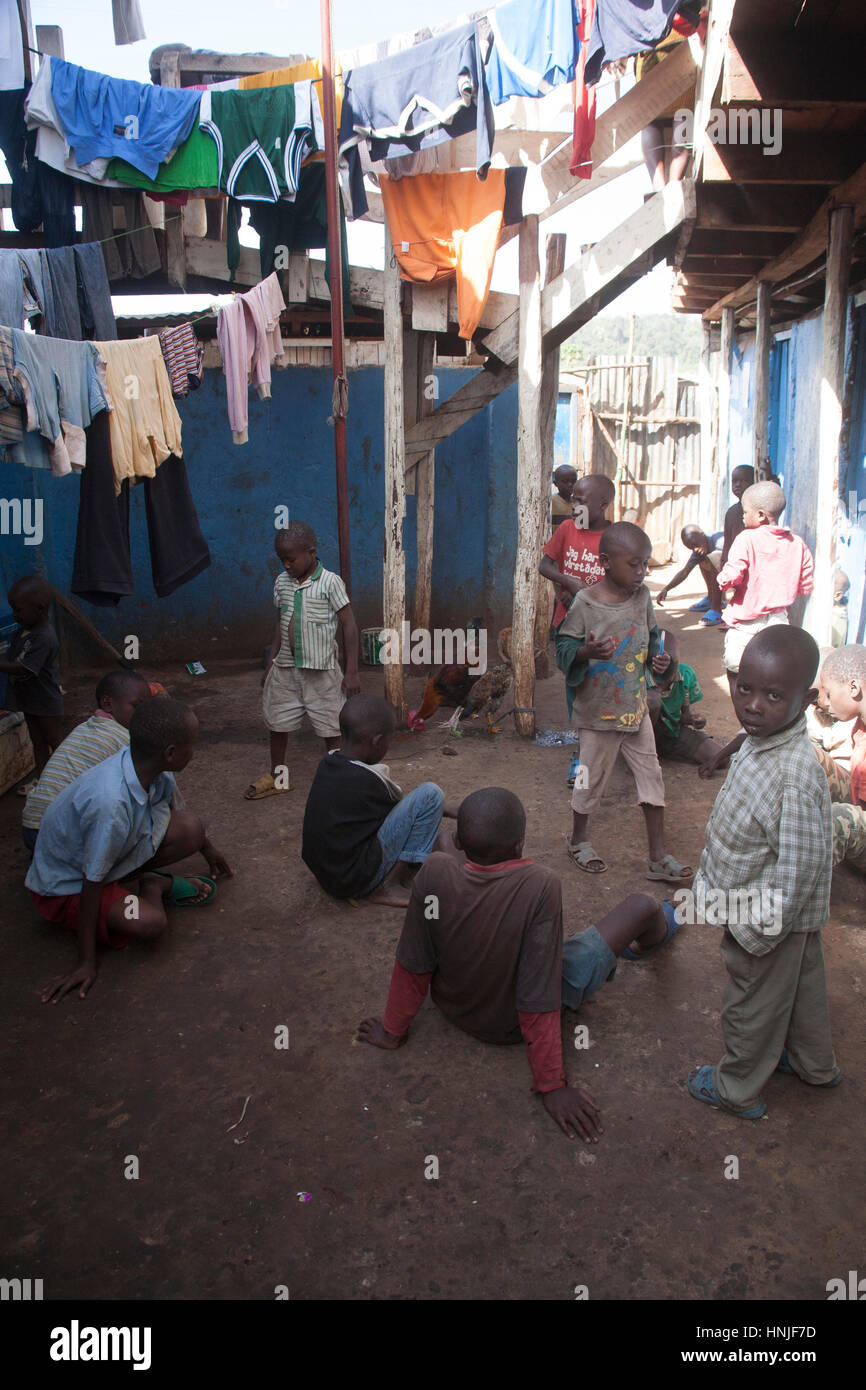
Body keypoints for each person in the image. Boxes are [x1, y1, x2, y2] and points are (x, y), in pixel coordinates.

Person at [358, 787, 682, 1141]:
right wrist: (551, 1085)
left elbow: (413, 963)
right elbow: (538, 991)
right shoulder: (539, 885)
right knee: (641, 906)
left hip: (455, 1007)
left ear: (460, 841)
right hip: (509, 1025)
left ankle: (643, 933)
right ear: (519, 845)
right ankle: (666, 920)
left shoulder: (433, 873)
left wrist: (392, 1030)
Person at [686, 626, 840, 1120]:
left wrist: (755, 932)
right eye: (744, 688)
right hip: (784, 919)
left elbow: (797, 871)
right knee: (801, 990)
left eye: (774, 695)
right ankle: (813, 1064)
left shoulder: (795, 772)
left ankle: (736, 1088)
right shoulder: (764, 734)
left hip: (765, 918)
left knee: (750, 1004)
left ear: (807, 699)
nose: (753, 705)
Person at [27, 698, 233, 1004]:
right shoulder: (110, 803)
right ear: (171, 753)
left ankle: (141, 882)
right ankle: (154, 885)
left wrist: (209, 850)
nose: (194, 751)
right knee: (149, 923)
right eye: (191, 745)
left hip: (112, 853)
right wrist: (86, 962)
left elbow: (173, 814)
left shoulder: (151, 767)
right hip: (66, 885)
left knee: (191, 829)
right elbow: (90, 881)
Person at [556, 520, 691, 883]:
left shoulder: (643, 596)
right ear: (605, 562)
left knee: (652, 778)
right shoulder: (585, 604)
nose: (641, 571)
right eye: (633, 564)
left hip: (635, 709)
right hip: (597, 715)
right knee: (587, 779)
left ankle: (657, 857)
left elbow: (652, 640)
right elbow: (564, 648)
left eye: (645, 563)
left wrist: (660, 663)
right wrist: (585, 651)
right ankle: (579, 840)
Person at [302, 693, 456, 907]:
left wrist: (446, 810)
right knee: (431, 794)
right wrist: (442, 807)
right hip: (355, 880)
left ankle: (393, 873)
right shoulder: (369, 781)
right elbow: (405, 813)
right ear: (376, 742)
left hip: (328, 876)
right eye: (388, 740)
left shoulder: (328, 764)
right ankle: (388, 884)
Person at [245, 521, 360, 800]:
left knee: (331, 727)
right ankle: (278, 777)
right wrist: (271, 660)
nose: (286, 564)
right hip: (285, 668)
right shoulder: (282, 582)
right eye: (281, 559)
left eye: (291, 559)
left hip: (321, 670)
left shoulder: (330, 582)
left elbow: (349, 625)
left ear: (311, 552)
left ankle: (337, 780)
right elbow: (279, 621)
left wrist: (352, 671)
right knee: (278, 723)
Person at [22, 669, 152, 853]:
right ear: (107, 703)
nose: (143, 715)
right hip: (56, 834)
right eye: (137, 707)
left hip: (31, 828)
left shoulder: (84, 728)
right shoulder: (123, 739)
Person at [715, 481, 813, 694]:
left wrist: (723, 579)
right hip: (778, 620)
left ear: (759, 515)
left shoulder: (747, 539)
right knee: (771, 671)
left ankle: (743, 715)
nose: (742, 517)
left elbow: (732, 575)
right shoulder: (797, 543)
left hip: (746, 623)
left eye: (745, 512)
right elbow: (805, 585)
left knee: (736, 668)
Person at [0, 576, 64, 789]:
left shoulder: (44, 637)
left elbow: (24, 667)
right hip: (29, 698)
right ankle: (43, 781)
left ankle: (69, 778)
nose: (14, 615)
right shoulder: (23, 631)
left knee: (54, 740)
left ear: (39, 608)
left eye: (17, 610)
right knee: (37, 742)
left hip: (45, 700)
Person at [539, 474, 615, 632]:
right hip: (566, 619)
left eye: (581, 501)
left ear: (603, 505)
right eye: (574, 499)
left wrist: (582, 594)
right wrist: (569, 582)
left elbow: (619, 585)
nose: (574, 505)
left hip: (600, 623)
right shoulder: (567, 528)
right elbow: (544, 566)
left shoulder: (614, 538)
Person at [820, 644, 866, 875]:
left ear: (854, 688)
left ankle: (785, 898)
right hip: (861, 805)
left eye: (828, 693)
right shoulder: (860, 724)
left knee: (835, 820)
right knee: (809, 756)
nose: (825, 702)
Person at [651, 659, 724, 769]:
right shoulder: (640, 675)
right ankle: (651, 751)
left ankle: (662, 750)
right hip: (642, 736)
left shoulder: (684, 674)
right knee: (653, 704)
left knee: (720, 758)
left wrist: (693, 719)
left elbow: (684, 715)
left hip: (671, 733)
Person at [656, 524, 725, 625]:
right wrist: (666, 588)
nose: (695, 549)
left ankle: (716, 608)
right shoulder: (700, 548)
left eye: (695, 544)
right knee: (702, 559)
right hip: (726, 572)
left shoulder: (719, 540)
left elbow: (724, 561)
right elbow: (685, 571)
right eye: (691, 548)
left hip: (740, 570)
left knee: (714, 559)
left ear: (702, 534)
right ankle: (711, 598)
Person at [720, 464, 755, 566]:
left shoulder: (758, 510)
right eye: (734, 481)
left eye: (743, 481)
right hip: (736, 564)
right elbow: (727, 545)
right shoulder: (731, 512)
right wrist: (724, 565)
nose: (738, 485)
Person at [550, 464, 577, 532]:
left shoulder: (579, 503)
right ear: (556, 484)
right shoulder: (551, 502)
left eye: (574, 481)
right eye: (565, 481)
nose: (570, 485)